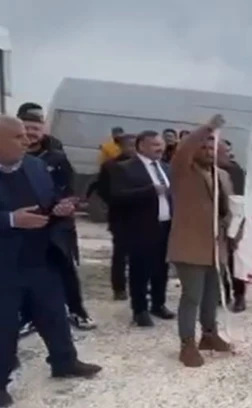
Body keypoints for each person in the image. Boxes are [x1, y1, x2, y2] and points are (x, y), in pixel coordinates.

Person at [0, 115, 102, 407]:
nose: (27, 140)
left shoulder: (35, 166)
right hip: (5, 267)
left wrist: (59, 207)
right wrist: (11, 220)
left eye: (27, 134)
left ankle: (64, 362)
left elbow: (49, 199)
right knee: (4, 327)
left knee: (55, 314)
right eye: (18, 136)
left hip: (42, 258)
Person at [17, 111, 96, 331]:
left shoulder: (56, 157)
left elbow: (71, 189)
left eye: (35, 129)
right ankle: (29, 317)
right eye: (26, 128)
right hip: (25, 224)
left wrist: (67, 204)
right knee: (25, 271)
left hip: (57, 224)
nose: (31, 133)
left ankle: (77, 311)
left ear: (43, 131)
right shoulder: (10, 157)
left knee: (65, 268)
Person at [167, 115, 236, 367]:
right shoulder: (183, 171)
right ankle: (187, 344)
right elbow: (184, 150)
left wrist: (231, 223)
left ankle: (209, 334)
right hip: (190, 246)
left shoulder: (221, 175)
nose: (208, 151)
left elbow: (226, 208)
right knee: (192, 297)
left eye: (211, 148)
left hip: (215, 247)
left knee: (211, 296)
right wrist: (208, 128)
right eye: (203, 147)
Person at [110, 130, 175, 327]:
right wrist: (150, 191)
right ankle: (140, 310)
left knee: (161, 269)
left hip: (166, 225)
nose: (160, 148)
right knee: (140, 270)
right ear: (141, 146)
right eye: (155, 145)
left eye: (161, 144)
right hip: (140, 228)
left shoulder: (166, 167)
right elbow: (117, 196)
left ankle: (158, 304)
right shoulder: (125, 168)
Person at [95, 134, 136, 300]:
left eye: (135, 145)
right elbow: (103, 189)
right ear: (121, 146)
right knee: (120, 253)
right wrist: (116, 201)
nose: (133, 148)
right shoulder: (110, 166)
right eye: (129, 145)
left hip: (143, 216)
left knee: (141, 255)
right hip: (120, 216)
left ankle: (138, 286)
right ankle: (119, 288)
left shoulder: (144, 166)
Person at [218, 139, 247, 312]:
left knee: (235, 260)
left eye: (229, 151)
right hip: (214, 222)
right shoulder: (205, 170)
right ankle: (223, 293)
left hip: (233, 219)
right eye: (225, 152)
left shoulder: (235, 170)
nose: (229, 155)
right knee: (218, 261)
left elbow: (241, 196)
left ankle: (239, 296)